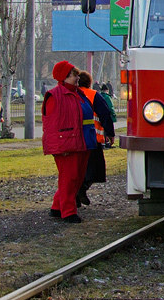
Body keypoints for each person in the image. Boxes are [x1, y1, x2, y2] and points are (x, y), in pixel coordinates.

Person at [43, 61, 96, 222]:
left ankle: (57, 207)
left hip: (81, 142)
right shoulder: (56, 95)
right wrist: (61, 146)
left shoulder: (77, 93)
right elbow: (52, 124)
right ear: (65, 77)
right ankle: (68, 212)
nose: (77, 77)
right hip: (69, 145)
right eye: (74, 74)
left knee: (76, 178)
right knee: (70, 179)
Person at [76, 71, 115, 208]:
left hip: (74, 140)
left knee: (75, 169)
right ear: (89, 82)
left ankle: (75, 195)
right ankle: (81, 190)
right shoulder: (93, 95)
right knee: (94, 169)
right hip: (92, 139)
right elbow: (105, 114)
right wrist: (110, 133)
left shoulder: (71, 94)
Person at [97, 83, 117, 148]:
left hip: (99, 116)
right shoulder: (107, 97)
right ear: (107, 90)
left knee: (102, 129)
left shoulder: (98, 96)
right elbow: (110, 107)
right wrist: (113, 114)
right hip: (107, 115)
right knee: (107, 129)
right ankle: (107, 142)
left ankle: (103, 142)